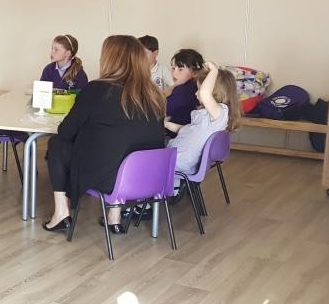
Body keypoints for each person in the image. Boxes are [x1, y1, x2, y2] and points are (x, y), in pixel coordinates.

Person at [41, 35, 166, 234]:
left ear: (111, 59)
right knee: (121, 145)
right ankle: (113, 216)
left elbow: (66, 131)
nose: (100, 60)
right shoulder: (154, 94)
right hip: (148, 178)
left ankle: (61, 212)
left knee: (57, 143)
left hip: (110, 178)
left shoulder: (97, 89)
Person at [167, 61, 241, 177]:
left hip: (177, 161)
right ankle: (171, 190)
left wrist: (214, 71)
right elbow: (187, 130)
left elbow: (204, 93)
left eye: (199, 89)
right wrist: (166, 124)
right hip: (179, 159)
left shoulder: (220, 113)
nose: (196, 93)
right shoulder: (209, 116)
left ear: (214, 91)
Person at [166, 48, 205, 127]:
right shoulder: (196, 86)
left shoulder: (181, 91)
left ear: (195, 72)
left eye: (180, 69)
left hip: (176, 136)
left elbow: (164, 112)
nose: (174, 73)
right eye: (173, 68)